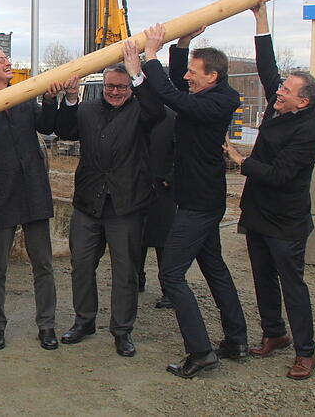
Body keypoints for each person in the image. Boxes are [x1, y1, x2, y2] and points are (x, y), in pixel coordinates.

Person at [223, 2, 315, 380]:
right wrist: (261, 19)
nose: (277, 92)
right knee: (262, 276)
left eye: (285, 90)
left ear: (304, 101)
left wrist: (240, 160)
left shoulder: (311, 131)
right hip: (259, 212)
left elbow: (280, 175)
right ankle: (274, 334)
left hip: (286, 219)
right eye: (280, 88)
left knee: (292, 285)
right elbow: (268, 67)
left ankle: (306, 352)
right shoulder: (279, 106)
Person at [141, 23, 248, 379]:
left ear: (212, 76)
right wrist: (183, 43)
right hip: (201, 197)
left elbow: (172, 95)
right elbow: (178, 85)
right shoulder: (212, 95)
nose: (187, 76)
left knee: (171, 275)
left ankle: (201, 352)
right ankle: (236, 339)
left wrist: (150, 56)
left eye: (193, 71)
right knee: (215, 268)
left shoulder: (215, 104)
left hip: (199, 203)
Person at [53, 40, 163, 358]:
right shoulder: (87, 110)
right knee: (81, 264)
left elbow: (157, 110)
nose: (115, 92)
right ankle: (84, 321)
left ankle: (122, 331)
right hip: (88, 202)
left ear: (131, 87)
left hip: (126, 205)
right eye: (110, 86)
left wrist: (137, 73)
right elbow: (64, 130)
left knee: (125, 270)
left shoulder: (142, 111)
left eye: (122, 87)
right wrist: (70, 99)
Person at [0, 46, 62, 351]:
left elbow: (47, 126)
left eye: (7, 57)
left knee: (43, 264)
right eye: (1, 60)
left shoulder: (24, 96)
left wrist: (49, 98)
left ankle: (46, 325)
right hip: (2, 193)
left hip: (34, 190)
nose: (8, 63)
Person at [138, 106, 177, 310]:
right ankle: (137, 279)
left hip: (163, 190)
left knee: (164, 242)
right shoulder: (135, 113)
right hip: (137, 186)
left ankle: (169, 290)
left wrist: (170, 178)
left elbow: (183, 152)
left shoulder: (173, 117)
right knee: (137, 237)